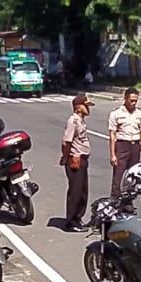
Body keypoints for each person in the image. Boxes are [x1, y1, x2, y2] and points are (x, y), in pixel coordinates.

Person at [108, 88, 141, 199]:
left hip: (135, 146)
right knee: (118, 175)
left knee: (133, 175)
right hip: (122, 145)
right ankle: (115, 199)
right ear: (125, 98)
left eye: (136, 100)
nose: (134, 103)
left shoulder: (140, 114)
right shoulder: (116, 113)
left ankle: (128, 201)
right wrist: (113, 154)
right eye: (131, 100)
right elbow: (112, 135)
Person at [61, 93, 92, 232]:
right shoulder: (73, 121)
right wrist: (67, 156)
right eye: (86, 106)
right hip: (76, 159)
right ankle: (71, 221)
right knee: (76, 191)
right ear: (78, 107)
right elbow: (66, 142)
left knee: (83, 191)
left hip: (82, 159)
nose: (88, 108)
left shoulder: (81, 120)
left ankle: (78, 218)